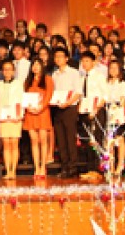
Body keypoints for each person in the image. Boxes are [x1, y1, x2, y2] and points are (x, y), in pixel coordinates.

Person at [51, 47, 83, 178]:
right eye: (56, 56)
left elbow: (78, 92)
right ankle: (64, 167)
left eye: (61, 56)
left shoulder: (74, 73)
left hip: (70, 108)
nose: (58, 59)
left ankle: (73, 167)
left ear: (66, 58)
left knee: (70, 138)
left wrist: (68, 103)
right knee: (61, 139)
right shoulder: (54, 74)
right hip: (58, 108)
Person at [79, 52, 108, 181]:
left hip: (97, 111)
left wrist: (95, 110)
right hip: (84, 111)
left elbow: (104, 96)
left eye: (87, 61)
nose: (85, 64)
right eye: (83, 61)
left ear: (93, 62)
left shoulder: (99, 76)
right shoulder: (81, 77)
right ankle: (89, 168)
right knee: (87, 141)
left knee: (96, 140)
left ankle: (98, 169)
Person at [23, 58, 54, 178]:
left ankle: (43, 166)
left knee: (43, 140)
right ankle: (36, 167)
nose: (35, 67)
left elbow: (49, 95)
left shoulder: (47, 79)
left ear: (42, 66)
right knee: (34, 141)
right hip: (30, 113)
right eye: (33, 64)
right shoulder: (28, 81)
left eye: (38, 64)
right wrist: (28, 108)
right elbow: (24, 97)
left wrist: (41, 107)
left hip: (43, 112)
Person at [0, 60, 24, 179]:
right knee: (6, 144)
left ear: (13, 71)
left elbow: (21, 100)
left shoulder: (18, 83)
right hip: (3, 118)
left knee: (14, 143)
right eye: (5, 69)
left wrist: (19, 115)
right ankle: (8, 170)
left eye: (9, 69)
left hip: (15, 117)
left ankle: (14, 170)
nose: (7, 71)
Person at [103, 61, 125, 176]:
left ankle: (120, 165)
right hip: (107, 111)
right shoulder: (105, 83)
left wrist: (119, 113)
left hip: (118, 111)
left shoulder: (123, 84)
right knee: (109, 141)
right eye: (111, 68)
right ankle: (111, 167)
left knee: (120, 139)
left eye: (115, 68)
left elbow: (123, 100)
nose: (113, 70)